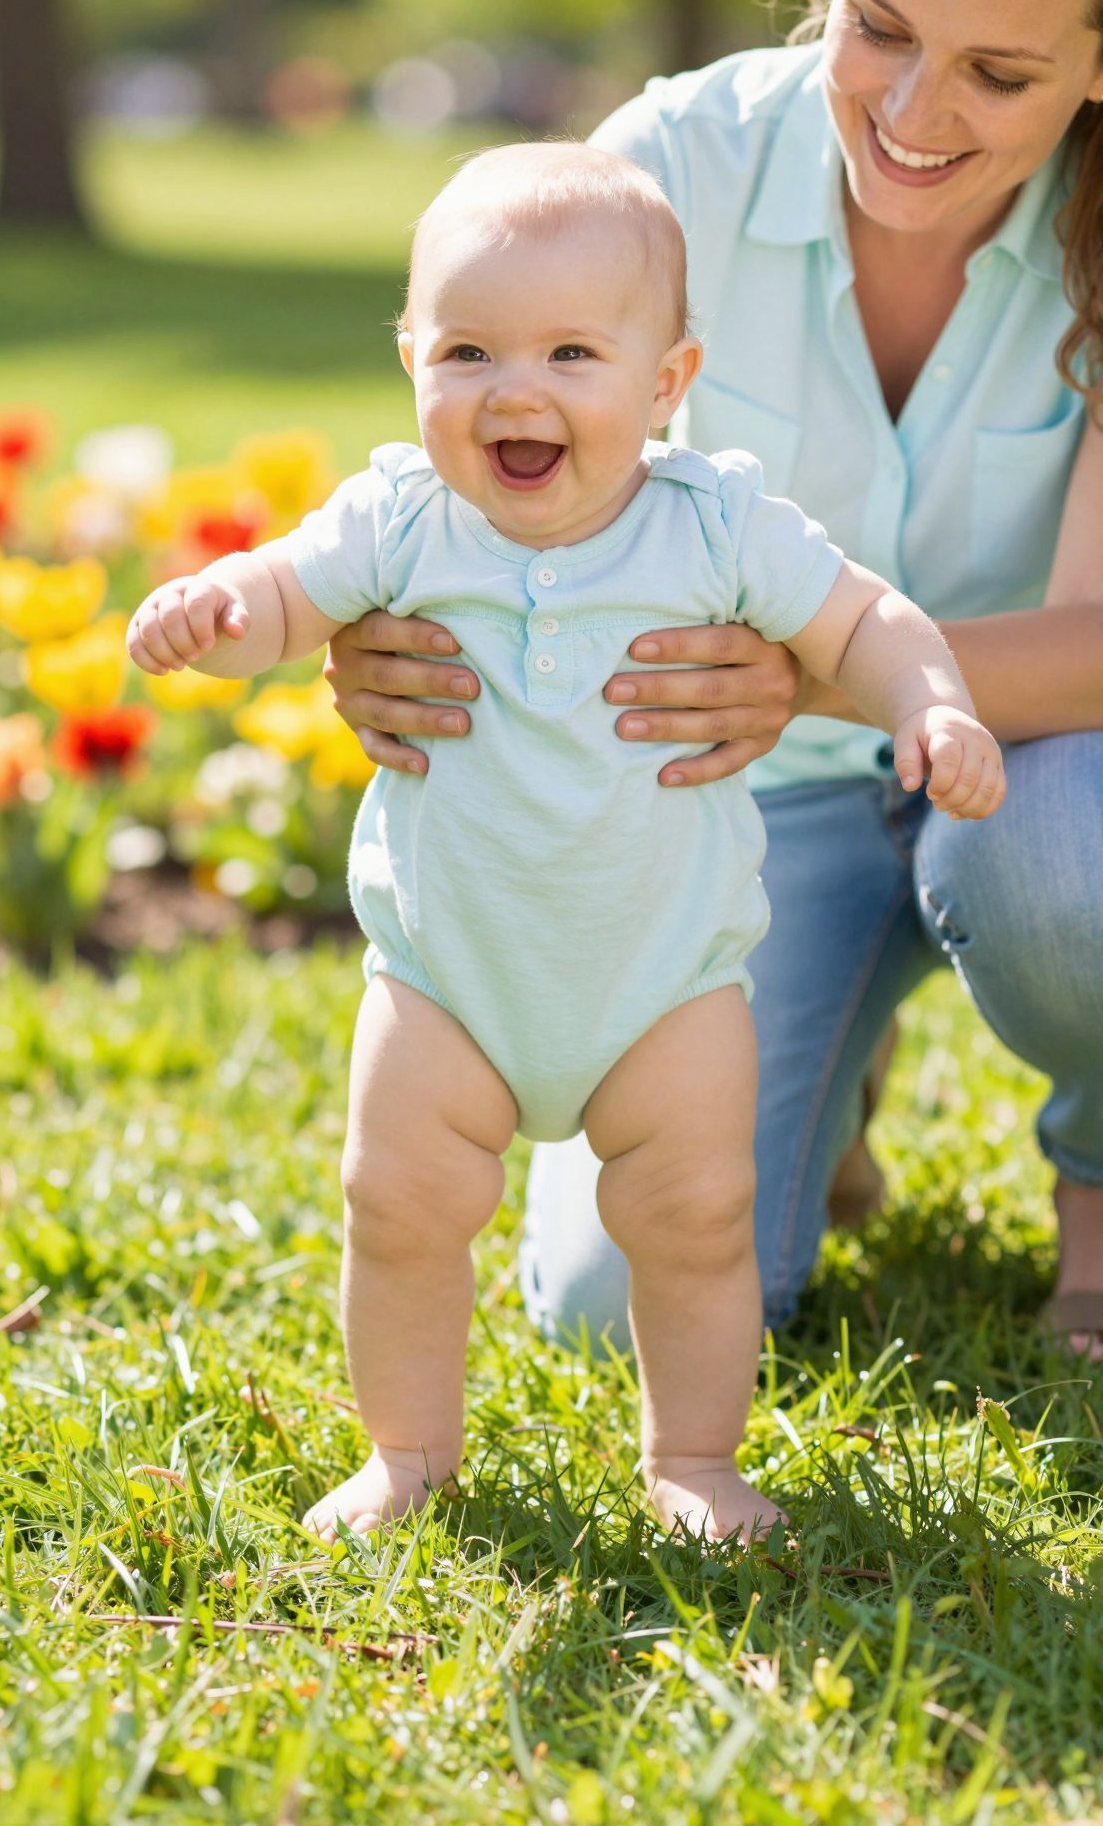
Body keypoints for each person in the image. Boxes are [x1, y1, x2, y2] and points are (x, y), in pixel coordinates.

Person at [127, 143, 1003, 1541]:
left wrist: (934, 698)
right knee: (397, 1205)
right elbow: (286, 598)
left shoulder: (714, 524)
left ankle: (694, 1463)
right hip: (448, 977)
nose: (514, 390)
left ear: (666, 384)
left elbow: (863, 624)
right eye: (467, 348)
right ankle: (408, 1453)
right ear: (411, 358)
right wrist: (221, 613)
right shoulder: (402, 521)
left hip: (663, 983)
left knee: (697, 1223)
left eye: (573, 354)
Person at [323, 0, 1103, 1355]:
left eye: (997, 76)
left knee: (1067, 879)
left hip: (1035, 781)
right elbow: (496, 455)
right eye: (876, 27)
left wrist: (820, 669)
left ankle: (1101, 1178)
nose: (910, 111)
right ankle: (825, 1073)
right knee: (614, 1308)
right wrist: (390, 621)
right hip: (727, 802)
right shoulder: (671, 162)